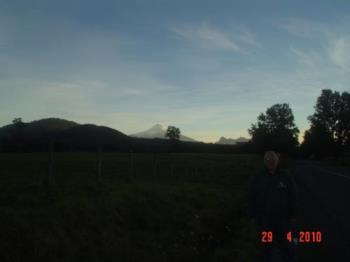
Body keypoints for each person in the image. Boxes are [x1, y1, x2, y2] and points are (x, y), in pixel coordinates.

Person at [249, 150, 298, 262]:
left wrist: (293, 215)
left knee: (286, 247)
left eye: (273, 159)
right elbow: (252, 197)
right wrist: (252, 216)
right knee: (267, 248)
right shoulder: (258, 178)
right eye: (268, 159)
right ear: (264, 161)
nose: (271, 161)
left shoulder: (286, 177)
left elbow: (293, 197)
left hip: (283, 221)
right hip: (265, 221)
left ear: (277, 161)